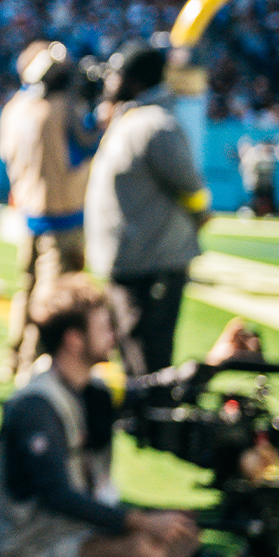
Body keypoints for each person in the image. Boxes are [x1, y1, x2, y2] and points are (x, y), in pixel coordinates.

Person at [0, 275, 261, 557]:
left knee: (182, 531)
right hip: (31, 553)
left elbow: (151, 392)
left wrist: (213, 364)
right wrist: (141, 522)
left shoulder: (91, 389)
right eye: (103, 328)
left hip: (78, 535)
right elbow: (57, 495)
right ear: (74, 340)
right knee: (145, 552)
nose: (113, 336)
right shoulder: (37, 405)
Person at [82, 42, 208, 376]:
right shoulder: (134, 119)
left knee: (148, 362)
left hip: (152, 265)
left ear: (135, 81)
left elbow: (191, 187)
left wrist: (198, 217)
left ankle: (153, 428)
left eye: (116, 75)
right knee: (131, 355)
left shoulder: (155, 125)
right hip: (133, 263)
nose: (108, 82)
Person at [0, 42, 91, 383]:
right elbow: (86, 145)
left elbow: (6, 154)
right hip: (62, 211)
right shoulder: (59, 107)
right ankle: (30, 364)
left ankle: (12, 357)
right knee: (50, 294)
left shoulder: (17, 106)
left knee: (26, 287)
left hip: (28, 208)